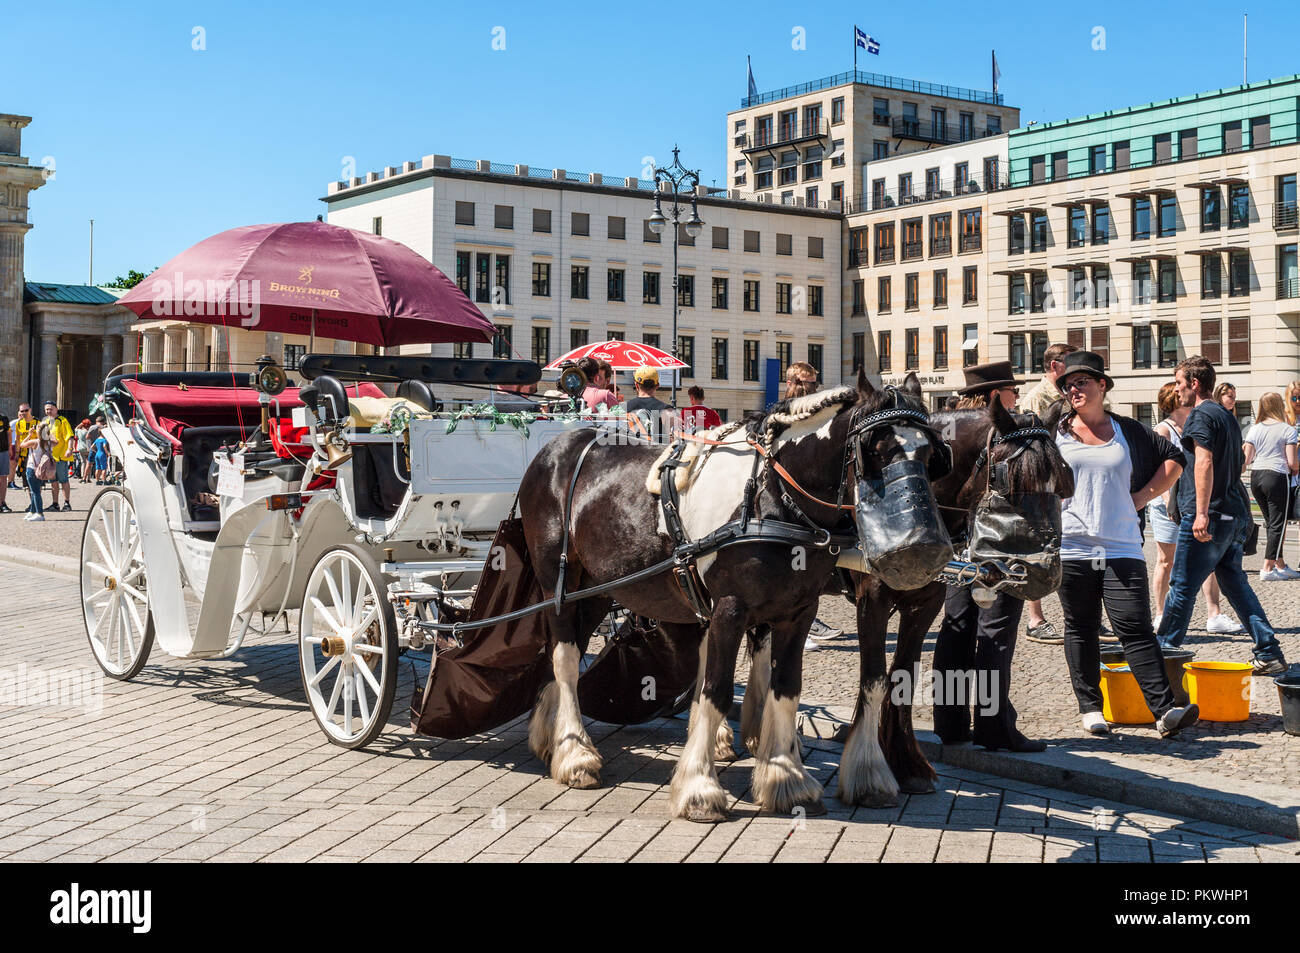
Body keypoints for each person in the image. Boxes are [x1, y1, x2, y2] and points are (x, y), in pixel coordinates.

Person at [1051, 351, 1200, 737]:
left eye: (1082, 381)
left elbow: (1175, 457)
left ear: (1102, 385)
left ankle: (1164, 710)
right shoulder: (1056, 431)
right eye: (1069, 384)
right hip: (1073, 545)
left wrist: (1142, 496)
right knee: (1080, 626)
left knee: (1134, 627)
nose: (1074, 389)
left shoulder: (1126, 430)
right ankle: (1090, 708)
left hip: (1122, 545)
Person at [931, 360, 1044, 751]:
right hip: (997, 541)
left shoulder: (945, 427)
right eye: (1012, 391)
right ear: (997, 396)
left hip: (955, 542)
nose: (1017, 397)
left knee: (956, 627)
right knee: (994, 632)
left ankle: (950, 722)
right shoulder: (1003, 432)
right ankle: (995, 727)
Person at [1156, 356, 1289, 676]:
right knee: (1235, 584)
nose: (1177, 389)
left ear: (1195, 383)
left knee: (1183, 583)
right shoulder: (1226, 416)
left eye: (1179, 382)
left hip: (1210, 514)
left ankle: (1162, 653)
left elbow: (1202, 463)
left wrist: (1201, 512)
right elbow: (1238, 464)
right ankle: (1269, 650)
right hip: (1233, 513)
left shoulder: (1201, 415)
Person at [1149, 383, 1243, 634]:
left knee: (1207, 561)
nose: (1182, 394)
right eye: (1177, 393)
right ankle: (1160, 614)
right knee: (1167, 561)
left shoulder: (1197, 424)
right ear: (1172, 400)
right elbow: (1160, 470)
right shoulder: (1163, 430)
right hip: (1168, 505)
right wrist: (1171, 501)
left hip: (1194, 503)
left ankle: (1214, 613)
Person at [1243, 392, 1299, 580]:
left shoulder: (1254, 429)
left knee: (1271, 523)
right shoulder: (1287, 429)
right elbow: (1292, 462)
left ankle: (1280, 564)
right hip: (1276, 476)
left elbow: (1247, 459)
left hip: (1257, 476)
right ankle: (1267, 568)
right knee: (1278, 523)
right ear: (1278, 406)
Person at [624, 366, 674, 440]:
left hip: (629, 451)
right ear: (657, 386)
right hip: (658, 451)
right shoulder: (668, 410)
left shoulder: (623, 408)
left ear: (636, 385)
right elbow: (674, 439)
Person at [43, 401, 74, 512]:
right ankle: (55, 504)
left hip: (60, 456)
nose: (48, 411)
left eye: (50, 409)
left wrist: (70, 449)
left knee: (63, 480)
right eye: (46, 409)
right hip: (50, 457)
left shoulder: (63, 421)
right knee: (53, 481)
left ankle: (67, 503)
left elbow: (69, 436)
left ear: (56, 409)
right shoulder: (45, 422)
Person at [20, 420, 52, 521]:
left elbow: (22, 444)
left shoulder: (35, 442)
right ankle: (33, 511)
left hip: (32, 468)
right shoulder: (49, 443)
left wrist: (29, 435)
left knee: (35, 492)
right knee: (36, 491)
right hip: (42, 470)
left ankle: (40, 513)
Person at [13, 403, 37, 497]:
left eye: (26, 410)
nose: (24, 413)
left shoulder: (37, 422)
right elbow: (18, 439)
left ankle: (36, 503)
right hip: (23, 455)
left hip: (35, 454)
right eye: (21, 411)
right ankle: (32, 503)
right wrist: (16, 453)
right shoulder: (19, 423)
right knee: (26, 480)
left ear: (30, 410)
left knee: (35, 479)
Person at [0, 410, 11, 513]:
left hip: (3, 451)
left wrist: (10, 449)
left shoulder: (4, 418)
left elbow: (8, 434)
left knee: (3, 478)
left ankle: (2, 502)